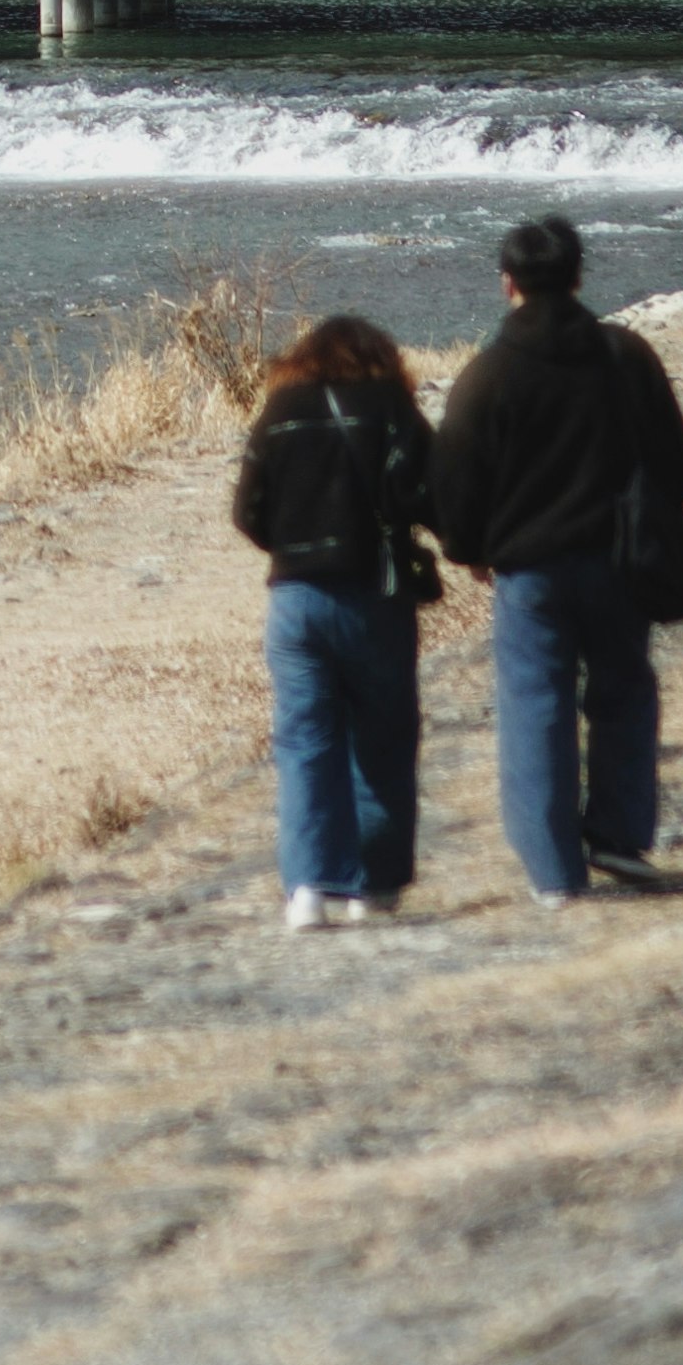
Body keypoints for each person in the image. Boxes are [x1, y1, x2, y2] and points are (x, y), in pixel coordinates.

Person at [431, 211, 683, 900]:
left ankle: (554, 872)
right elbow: (676, 464)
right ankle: (619, 835)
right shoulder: (626, 354)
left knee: (535, 706)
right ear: (579, 276)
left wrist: (471, 551)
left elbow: (456, 483)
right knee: (624, 692)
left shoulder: (486, 376)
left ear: (506, 283)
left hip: (529, 571)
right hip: (617, 560)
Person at [231, 310, 438, 930]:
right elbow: (428, 493)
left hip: (295, 601)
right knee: (383, 736)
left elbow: (248, 512)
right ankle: (371, 887)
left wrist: (291, 546)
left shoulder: (279, 411)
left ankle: (306, 887)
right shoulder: (392, 409)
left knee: (303, 742)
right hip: (374, 594)